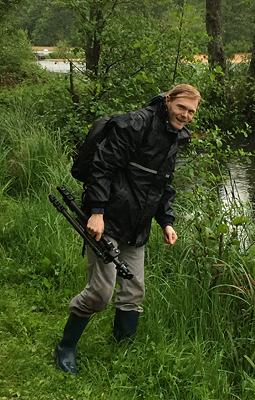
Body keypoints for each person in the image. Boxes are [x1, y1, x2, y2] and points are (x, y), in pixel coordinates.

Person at [54, 84, 201, 374]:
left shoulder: (176, 136)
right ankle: (66, 346)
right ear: (169, 100)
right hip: (107, 217)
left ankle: (123, 349)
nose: (185, 115)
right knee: (100, 292)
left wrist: (166, 221)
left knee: (134, 290)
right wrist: (96, 212)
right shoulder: (136, 123)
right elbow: (102, 167)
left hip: (138, 223)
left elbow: (163, 183)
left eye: (191, 112)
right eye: (181, 107)